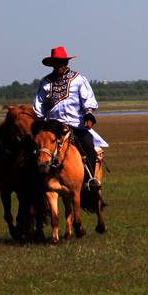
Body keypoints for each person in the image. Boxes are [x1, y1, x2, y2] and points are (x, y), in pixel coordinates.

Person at [33, 46, 108, 188]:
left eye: (61, 62)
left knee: (88, 145)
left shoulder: (78, 79)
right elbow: (39, 104)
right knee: (35, 149)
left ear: (66, 62)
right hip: (53, 125)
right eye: (56, 62)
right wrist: (40, 121)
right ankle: (35, 182)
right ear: (52, 64)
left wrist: (89, 115)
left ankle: (90, 179)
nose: (59, 65)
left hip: (76, 123)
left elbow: (88, 99)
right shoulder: (45, 82)